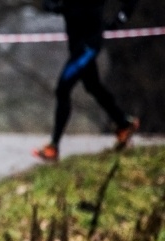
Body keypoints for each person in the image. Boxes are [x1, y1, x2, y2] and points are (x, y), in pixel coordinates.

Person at [33, 0, 140, 162]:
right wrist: (52, 6)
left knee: (63, 89)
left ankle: (53, 146)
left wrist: (121, 18)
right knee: (92, 86)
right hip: (75, 43)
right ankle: (123, 122)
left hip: (89, 45)